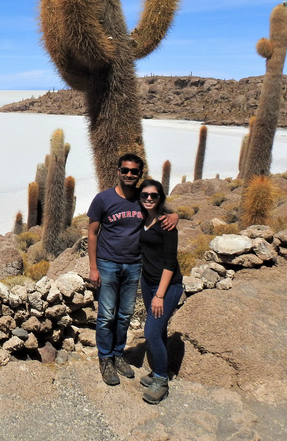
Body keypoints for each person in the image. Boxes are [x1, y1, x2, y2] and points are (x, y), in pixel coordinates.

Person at [87, 154, 177, 386]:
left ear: (139, 174)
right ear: (118, 171)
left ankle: (118, 354)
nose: (129, 174)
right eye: (125, 170)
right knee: (106, 315)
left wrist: (175, 215)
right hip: (107, 263)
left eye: (134, 171)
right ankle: (105, 358)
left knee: (125, 314)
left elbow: (164, 213)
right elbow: (92, 232)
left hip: (134, 265)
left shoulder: (143, 197)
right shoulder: (103, 199)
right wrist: (93, 267)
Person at [138, 178, 184, 404]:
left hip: (167, 286)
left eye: (153, 195)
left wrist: (160, 295)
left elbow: (170, 262)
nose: (148, 198)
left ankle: (161, 379)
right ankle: (159, 368)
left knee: (151, 333)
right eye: (145, 194)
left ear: (160, 198)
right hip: (147, 282)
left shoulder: (167, 224)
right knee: (160, 329)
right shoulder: (141, 218)